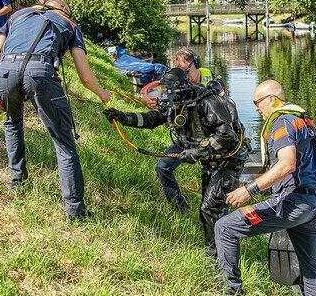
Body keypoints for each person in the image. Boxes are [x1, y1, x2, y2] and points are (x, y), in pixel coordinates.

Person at [215, 79, 316, 296]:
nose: (256, 108)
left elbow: (287, 164)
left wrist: (250, 189)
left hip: (292, 204)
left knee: (224, 227)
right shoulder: (305, 120)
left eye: (257, 103)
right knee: (312, 266)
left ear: (272, 100)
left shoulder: (280, 122)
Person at [0, 0, 111, 220]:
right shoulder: (69, 24)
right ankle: (75, 210)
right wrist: (103, 94)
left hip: (4, 71)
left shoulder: (17, 15)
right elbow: (85, 76)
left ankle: (17, 183)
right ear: (63, 9)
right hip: (40, 72)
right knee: (63, 141)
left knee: (12, 124)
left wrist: (0, 86)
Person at [103, 67, 248, 253]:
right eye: (163, 89)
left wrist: (196, 151)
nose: (164, 94)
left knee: (210, 209)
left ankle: (218, 257)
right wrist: (122, 117)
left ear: (181, 87)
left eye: (168, 89)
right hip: (209, 159)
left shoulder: (207, 102)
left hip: (229, 158)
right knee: (210, 208)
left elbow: (226, 135)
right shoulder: (174, 104)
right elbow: (151, 119)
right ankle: (219, 250)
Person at [154, 47, 222, 213]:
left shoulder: (212, 80)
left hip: (212, 138)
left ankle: (211, 212)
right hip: (188, 136)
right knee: (162, 166)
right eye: (180, 72)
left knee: (211, 175)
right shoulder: (177, 82)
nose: (185, 76)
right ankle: (180, 208)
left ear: (196, 64)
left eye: (186, 70)